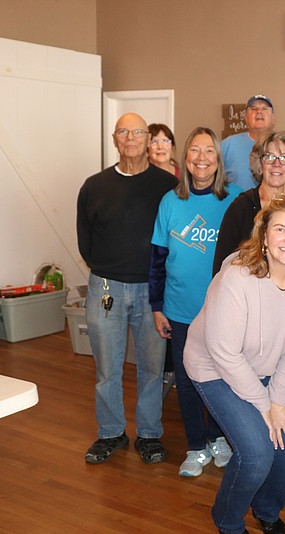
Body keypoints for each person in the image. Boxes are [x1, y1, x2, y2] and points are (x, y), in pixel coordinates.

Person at [184, 194, 285, 534]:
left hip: (269, 367)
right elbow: (225, 353)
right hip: (215, 368)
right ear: (264, 236)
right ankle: (228, 521)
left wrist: (277, 401)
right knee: (256, 453)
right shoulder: (237, 277)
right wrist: (265, 407)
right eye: (280, 229)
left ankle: (266, 509)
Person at [77, 112, 177, 465]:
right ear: (115, 138)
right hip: (106, 288)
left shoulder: (166, 185)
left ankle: (149, 434)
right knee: (107, 367)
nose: (130, 137)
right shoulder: (94, 186)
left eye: (137, 131)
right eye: (124, 132)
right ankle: (111, 433)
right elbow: (85, 241)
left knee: (151, 368)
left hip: (151, 292)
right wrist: (108, 269)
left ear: (148, 138)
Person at [148, 127, 242, 477]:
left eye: (209, 152)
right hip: (180, 307)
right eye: (195, 151)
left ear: (218, 159)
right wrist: (156, 306)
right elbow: (157, 257)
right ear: (184, 158)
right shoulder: (170, 201)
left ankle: (220, 438)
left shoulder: (235, 199)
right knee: (187, 382)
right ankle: (196, 446)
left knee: (220, 378)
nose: (201, 158)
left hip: (222, 309)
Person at [213, 131, 285, 276]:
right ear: (260, 165)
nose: (276, 164)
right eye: (269, 157)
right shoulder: (241, 208)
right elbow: (221, 267)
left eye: (284, 158)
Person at [221, 95, 277, 192]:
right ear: (246, 118)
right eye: (253, 109)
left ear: (273, 119)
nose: (259, 112)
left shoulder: (284, 146)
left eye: (264, 108)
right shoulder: (227, 145)